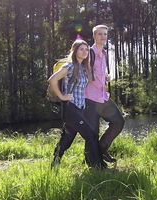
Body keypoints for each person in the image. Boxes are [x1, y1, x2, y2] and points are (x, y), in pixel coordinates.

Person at [50, 39, 106, 169]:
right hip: (70, 109)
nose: (85, 51)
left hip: (79, 109)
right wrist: (62, 96)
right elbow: (52, 80)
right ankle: (99, 166)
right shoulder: (69, 66)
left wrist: (105, 76)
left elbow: (93, 80)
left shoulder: (83, 68)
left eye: (86, 49)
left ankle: (54, 165)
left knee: (67, 139)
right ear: (75, 51)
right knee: (91, 135)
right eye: (81, 49)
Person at [84, 24, 125, 163]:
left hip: (102, 96)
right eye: (100, 34)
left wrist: (105, 77)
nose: (103, 37)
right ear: (94, 36)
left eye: (105, 34)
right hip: (89, 98)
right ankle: (92, 162)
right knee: (92, 132)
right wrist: (96, 78)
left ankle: (101, 150)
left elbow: (98, 72)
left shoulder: (104, 53)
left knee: (118, 122)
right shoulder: (89, 52)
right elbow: (86, 73)